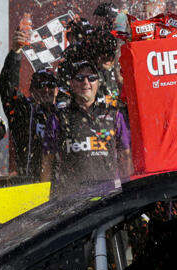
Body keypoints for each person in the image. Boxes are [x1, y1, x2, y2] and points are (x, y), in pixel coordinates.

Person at [44, 58, 131, 195]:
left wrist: (128, 193)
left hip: (108, 196)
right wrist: (44, 198)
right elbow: (47, 162)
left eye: (91, 78)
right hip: (72, 197)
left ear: (98, 82)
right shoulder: (59, 117)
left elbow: (125, 156)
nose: (86, 82)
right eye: (80, 78)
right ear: (71, 83)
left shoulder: (114, 115)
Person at [0, 30, 60, 178]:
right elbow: (7, 88)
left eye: (50, 84)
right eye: (40, 84)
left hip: (62, 187)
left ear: (57, 90)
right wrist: (15, 52)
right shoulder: (24, 111)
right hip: (29, 186)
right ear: (31, 90)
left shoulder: (65, 114)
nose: (45, 89)